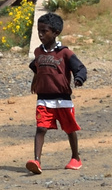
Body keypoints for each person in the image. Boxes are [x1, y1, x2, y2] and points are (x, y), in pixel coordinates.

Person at [26, 11, 87, 174]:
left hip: (63, 99)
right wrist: (35, 79)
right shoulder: (39, 52)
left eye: (44, 31)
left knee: (69, 128)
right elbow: (36, 66)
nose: (40, 34)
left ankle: (76, 157)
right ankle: (37, 161)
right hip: (43, 99)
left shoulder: (65, 52)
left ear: (55, 33)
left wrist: (79, 79)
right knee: (41, 128)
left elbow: (80, 68)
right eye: (38, 30)